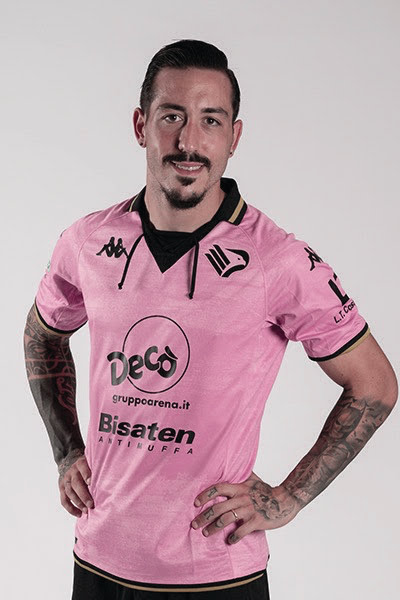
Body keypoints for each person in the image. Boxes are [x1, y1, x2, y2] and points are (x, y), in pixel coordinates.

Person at [24, 39, 397, 600]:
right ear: (140, 125)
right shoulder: (87, 241)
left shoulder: (277, 259)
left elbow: (375, 385)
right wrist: (67, 451)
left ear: (234, 137)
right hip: (98, 560)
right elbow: (42, 335)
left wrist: (289, 498)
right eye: (171, 116)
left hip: (217, 574)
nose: (189, 142)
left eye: (211, 120)